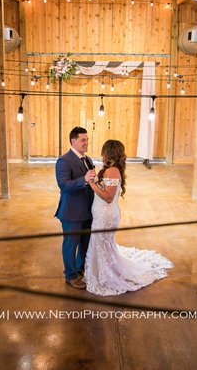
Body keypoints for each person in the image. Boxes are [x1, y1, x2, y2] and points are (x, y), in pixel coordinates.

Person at [84, 140, 173, 296]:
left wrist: (91, 183)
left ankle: (105, 276)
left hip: (105, 215)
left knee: (101, 245)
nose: (102, 154)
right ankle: (101, 272)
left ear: (108, 153)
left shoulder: (111, 171)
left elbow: (108, 197)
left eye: (104, 151)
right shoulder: (112, 170)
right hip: (103, 214)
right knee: (103, 245)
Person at [55, 127, 96, 289]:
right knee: (71, 244)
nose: (86, 143)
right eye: (83, 140)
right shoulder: (64, 161)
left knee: (85, 242)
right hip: (72, 212)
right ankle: (70, 276)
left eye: (87, 140)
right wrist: (84, 179)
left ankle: (80, 268)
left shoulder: (88, 159)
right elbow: (63, 185)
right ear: (73, 141)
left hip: (87, 210)